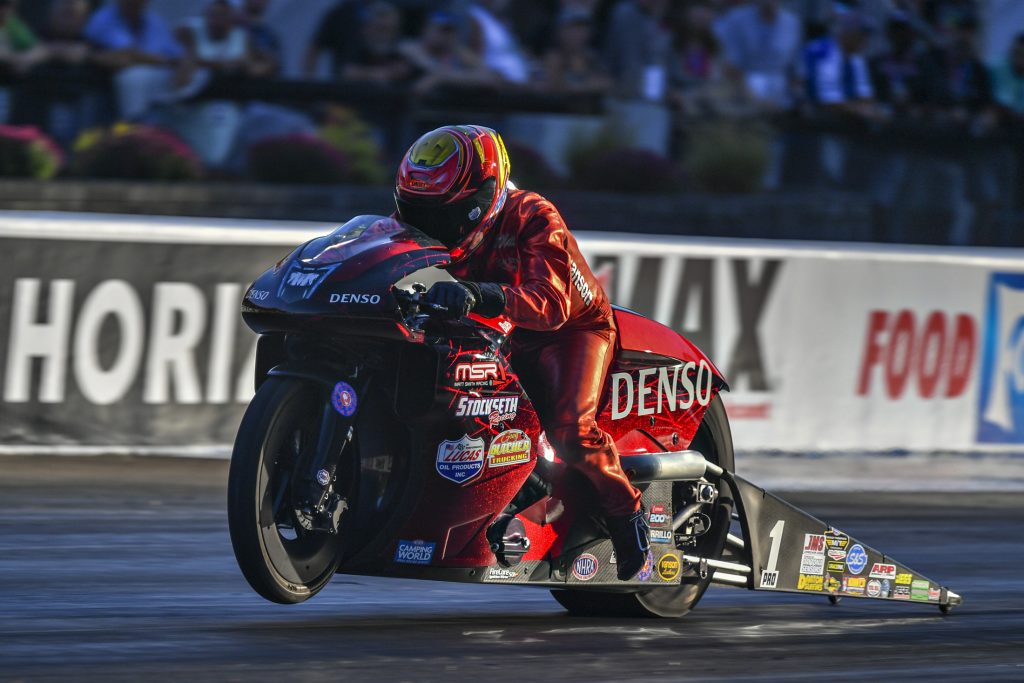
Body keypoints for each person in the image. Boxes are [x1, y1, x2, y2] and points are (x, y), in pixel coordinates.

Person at [392, 125, 650, 580]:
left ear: (484, 194)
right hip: (503, 325)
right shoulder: (441, 224)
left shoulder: (534, 214)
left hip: (571, 330)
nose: (434, 226)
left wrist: (477, 294)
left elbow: (549, 306)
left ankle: (629, 518)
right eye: (421, 212)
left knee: (570, 429)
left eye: (447, 213)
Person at [83, 0, 188, 120]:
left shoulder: (154, 21)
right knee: (132, 77)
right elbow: (127, 53)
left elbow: (174, 55)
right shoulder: (102, 18)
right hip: (107, 89)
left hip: (155, 89)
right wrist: (157, 59)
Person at [713, 0, 803, 109]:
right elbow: (730, 60)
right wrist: (747, 94)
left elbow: (796, 63)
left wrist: (797, 94)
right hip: (744, 85)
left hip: (781, 87)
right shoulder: (737, 19)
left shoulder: (792, 22)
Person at [399, 11, 492, 97]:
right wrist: (462, 77)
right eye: (443, 30)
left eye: (451, 31)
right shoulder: (410, 47)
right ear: (426, 29)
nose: (447, 36)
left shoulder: (458, 51)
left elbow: (487, 77)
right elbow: (431, 69)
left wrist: (441, 78)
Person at [339, 1, 415, 85]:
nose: (384, 34)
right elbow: (348, 72)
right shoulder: (358, 44)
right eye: (380, 28)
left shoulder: (404, 49)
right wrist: (376, 73)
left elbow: (406, 71)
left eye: (389, 29)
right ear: (367, 28)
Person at [539, 7, 610, 95]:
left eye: (582, 28)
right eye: (572, 28)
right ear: (559, 31)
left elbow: (607, 83)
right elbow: (553, 87)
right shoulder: (553, 57)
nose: (577, 34)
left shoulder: (592, 57)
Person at [990, 33, 1024, 121]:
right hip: (995, 117)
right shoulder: (996, 67)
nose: (1019, 58)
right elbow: (1002, 101)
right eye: (1017, 53)